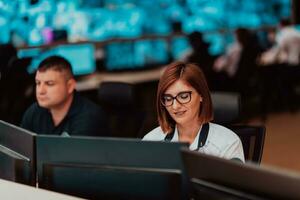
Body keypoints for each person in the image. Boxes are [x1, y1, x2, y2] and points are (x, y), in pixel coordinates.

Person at [143, 62, 244, 162]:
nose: (175, 106)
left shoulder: (228, 143)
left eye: (183, 96)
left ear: (201, 95)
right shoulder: (151, 141)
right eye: (168, 99)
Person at [21, 55, 110, 137]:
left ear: (70, 86)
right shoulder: (34, 112)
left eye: (49, 84)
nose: (41, 91)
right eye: (38, 83)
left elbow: (73, 154)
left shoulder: (89, 118)